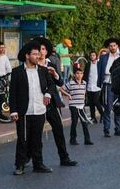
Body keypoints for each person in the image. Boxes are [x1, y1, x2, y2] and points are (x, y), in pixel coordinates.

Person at [10, 41, 56, 174]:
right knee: (23, 139)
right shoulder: (17, 72)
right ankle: (20, 165)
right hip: (24, 111)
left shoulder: (43, 70)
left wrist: (48, 94)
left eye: (38, 54)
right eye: (35, 54)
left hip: (39, 110)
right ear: (27, 55)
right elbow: (13, 92)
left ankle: (38, 164)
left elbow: (51, 85)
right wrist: (13, 111)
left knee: (37, 139)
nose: (38, 56)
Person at [38, 39, 77, 167]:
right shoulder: (32, 66)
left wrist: (55, 74)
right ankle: (30, 158)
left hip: (51, 102)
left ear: (46, 51)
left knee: (58, 129)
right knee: (35, 132)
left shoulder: (51, 63)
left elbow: (60, 82)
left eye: (43, 49)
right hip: (37, 102)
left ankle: (64, 157)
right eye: (39, 49)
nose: (41, 52)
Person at [98, 38, 120, 137]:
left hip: (119, 85)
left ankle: (118, 129)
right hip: (108, 85)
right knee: (107, 108)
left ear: (117, 46)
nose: (112, 47)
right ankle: (106, 129)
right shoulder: (104, 58)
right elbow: (100, 71)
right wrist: (99, 85)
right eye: (111, 46)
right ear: (108, 47)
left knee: (118, 107)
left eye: (114, 46)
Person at [63, 66, 93, 146]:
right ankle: (72, 139)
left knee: (84, 122)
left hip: (81, 105)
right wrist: (68, 95)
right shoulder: (71, 83)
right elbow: (61, 89)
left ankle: (87, 140)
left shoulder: (84, 83)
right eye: (77, 73)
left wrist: (83, 97)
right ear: (74, 75)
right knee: (74, 122)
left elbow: (84, 91)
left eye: (81, 73)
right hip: (73, 105)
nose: (79, 75)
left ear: (83, 75)